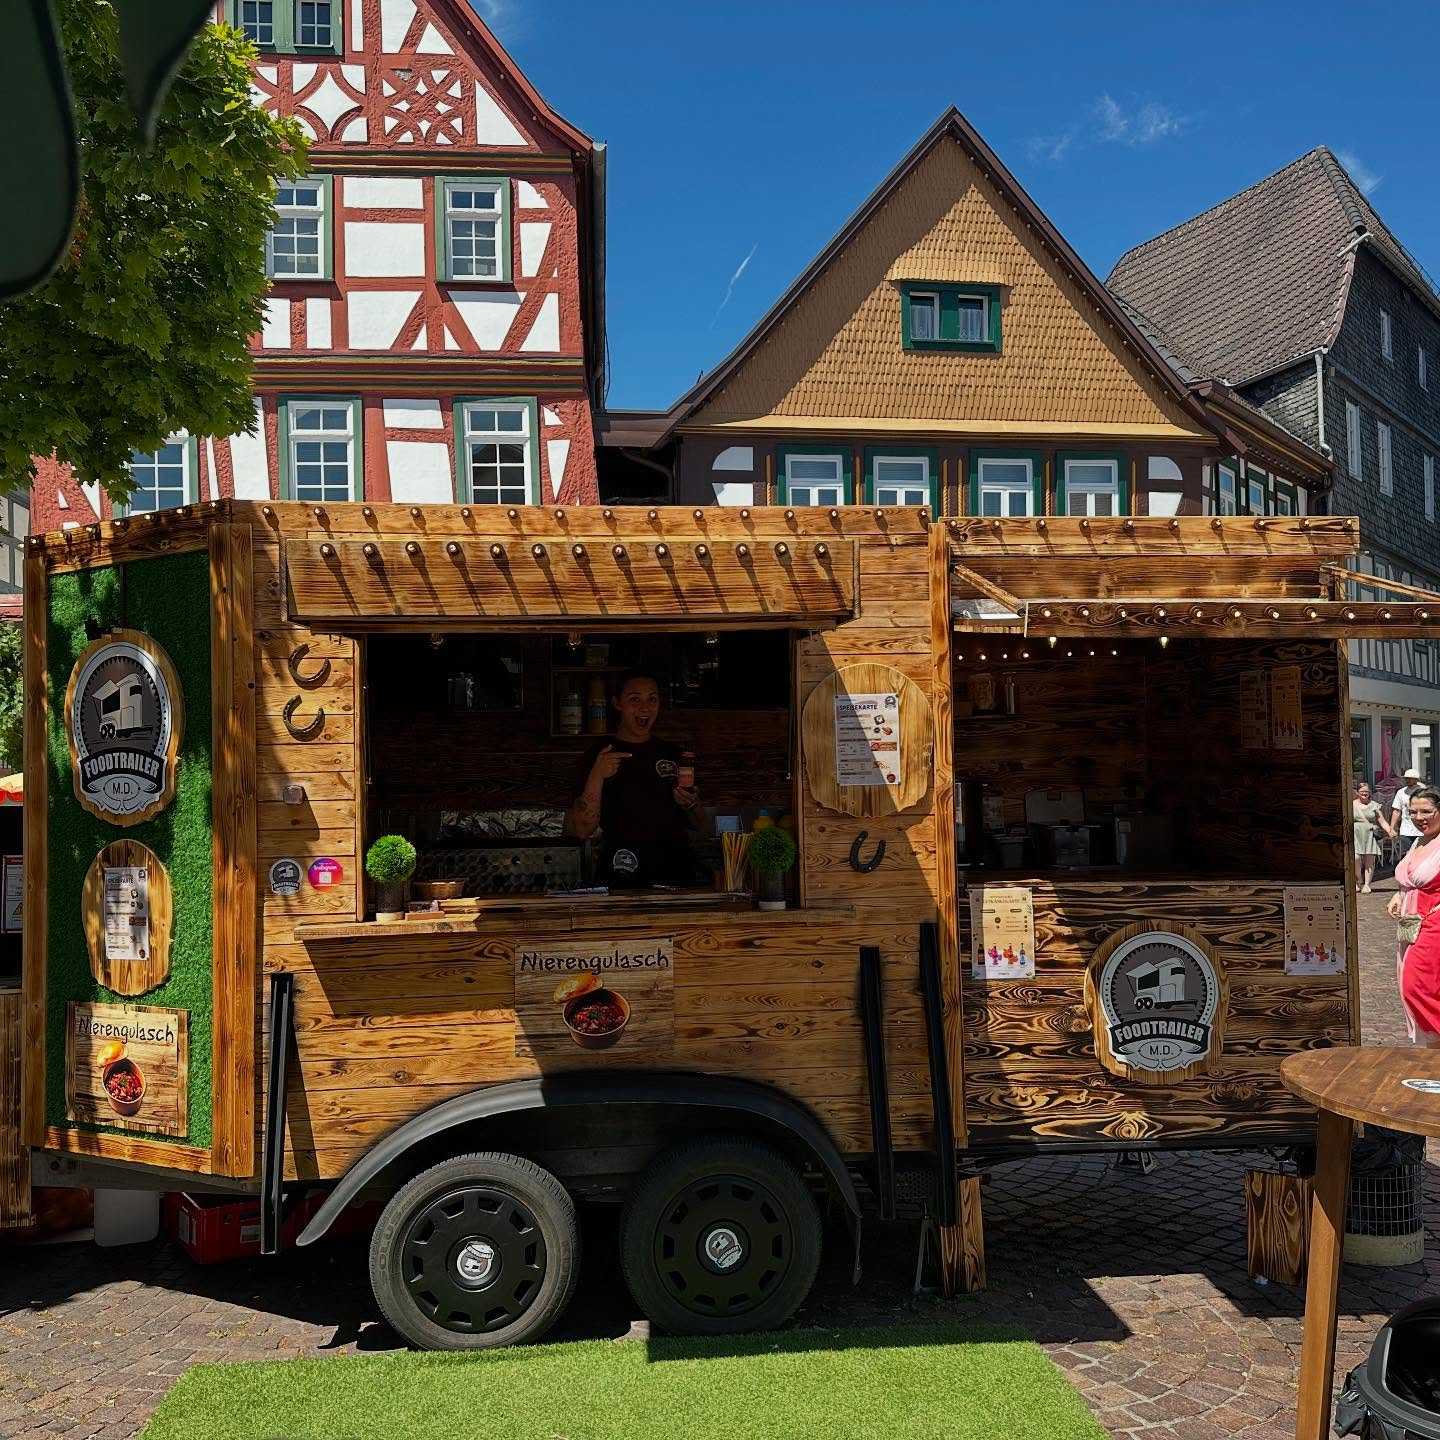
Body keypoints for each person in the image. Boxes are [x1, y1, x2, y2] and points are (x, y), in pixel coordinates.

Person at [564, 670, 705, 888]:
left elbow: (701, 825)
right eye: (635, 699)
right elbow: (580, 830)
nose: (645, 707)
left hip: (676, 874)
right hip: (622, 873)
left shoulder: (674, 755)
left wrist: (691, 805)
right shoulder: (598, 755)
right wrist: (597, 775)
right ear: (617, 703)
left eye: (652, 699)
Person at [1387, 783, 1440, 1046]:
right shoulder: (1420, 841)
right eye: (1413, 813)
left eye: (1426, 811)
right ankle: (1432, 1047)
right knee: (1422, 985)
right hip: (1411, 925)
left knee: (1416, 985)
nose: (1419, 818)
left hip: (1434, 923)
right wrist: (1399, 894)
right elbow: (1410, 878)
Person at [1353, 781, 1395, 894]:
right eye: (1362, 791)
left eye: (1367, 791)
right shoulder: (1351, 805)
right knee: (1355, 858)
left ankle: (1367, 884)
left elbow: (1382, 820)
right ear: (1357, 792)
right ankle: (1358, 880)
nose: (1364, 793)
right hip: (1355, 835)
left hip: (1369, 835)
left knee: (1369, 861)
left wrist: (1390, 830)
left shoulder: (1374, 805)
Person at [1391, 767, 1425, 862]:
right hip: (1406, 830)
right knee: (1405, 855)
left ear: (1416, 779)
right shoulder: (1401, 792)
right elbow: (1396, 810)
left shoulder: (1423, 791)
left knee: (1421, 855)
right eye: (1406, 778)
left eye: (1410, 778)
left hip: (1422, 829)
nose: (1408, 780)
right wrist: (1392, 827)